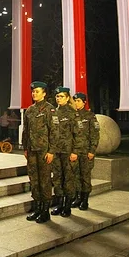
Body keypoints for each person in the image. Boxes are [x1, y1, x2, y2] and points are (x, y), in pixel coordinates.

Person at [24, 81, 56, 224]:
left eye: (37, 91)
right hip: (31, 151)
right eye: (33, 92)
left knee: (44, 180)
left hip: (44, 151)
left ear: (44, 93)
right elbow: (26, 131)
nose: (34, 94)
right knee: (34, 180)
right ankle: (37, 207)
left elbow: (54, 132)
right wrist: (25, 148)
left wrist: (51, 151)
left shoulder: (50, 110)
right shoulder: (29, 110)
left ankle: (45, 211)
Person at [70, 92, 101, 210]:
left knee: (85, 176)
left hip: (86, 151)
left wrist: (92, 150)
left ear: (84, 102)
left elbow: (95, 135)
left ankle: (85, 200)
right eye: (75, 101)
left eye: (78, 101)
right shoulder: (73, 116)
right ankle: (78, 197)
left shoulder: (90, 116)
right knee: (76, 175)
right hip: (75, 152)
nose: (76, 103)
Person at [49, 87, 76, 218]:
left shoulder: (72, 113)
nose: (58, 98)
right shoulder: (54, 112)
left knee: (68, 178)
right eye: (57, 96)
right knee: (57, 177)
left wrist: (75, 151)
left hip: (68, 151)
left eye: (61, 96)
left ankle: (67, 206)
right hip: (56, 151)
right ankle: (59, 204)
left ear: (67, 97)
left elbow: (78, 134)